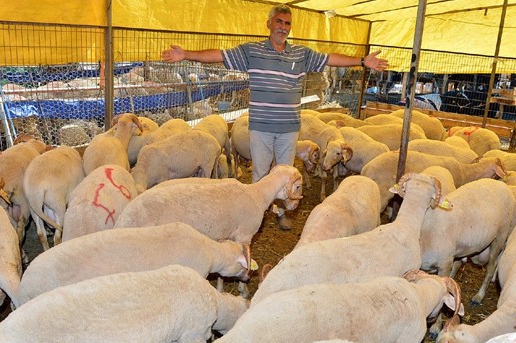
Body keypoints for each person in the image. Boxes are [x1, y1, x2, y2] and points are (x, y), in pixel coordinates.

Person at [161, 4, 388, 230]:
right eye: (279, 21)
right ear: (269, 23)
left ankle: (281, 212)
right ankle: (257, 215)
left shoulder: (301, 54)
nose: (283, 27)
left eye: (287, 23)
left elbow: (330, 59)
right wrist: (186, 54)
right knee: (260, 173)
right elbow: (219, 55)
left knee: (286, 171)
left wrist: (362, 61)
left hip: (289, 127)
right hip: (261, 125)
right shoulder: (252, 51)